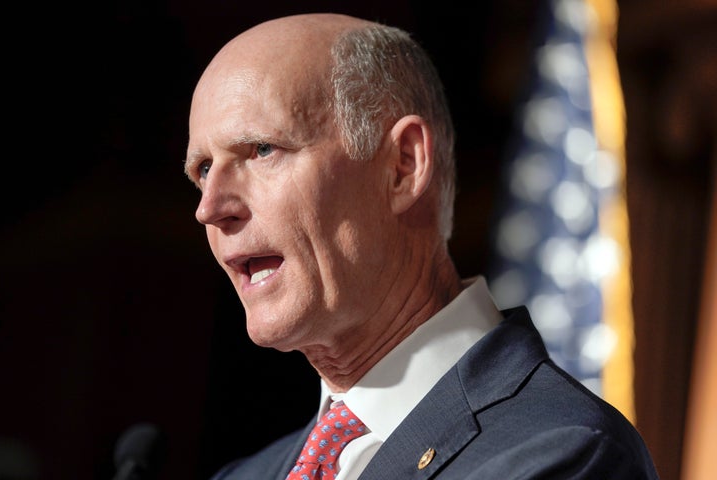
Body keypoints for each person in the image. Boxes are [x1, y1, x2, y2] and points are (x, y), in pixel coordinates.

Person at [184, 12, 659, 480]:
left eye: (262, 150)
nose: (210, 207)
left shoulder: (564, 454)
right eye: (204, 170)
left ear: (403, 166)